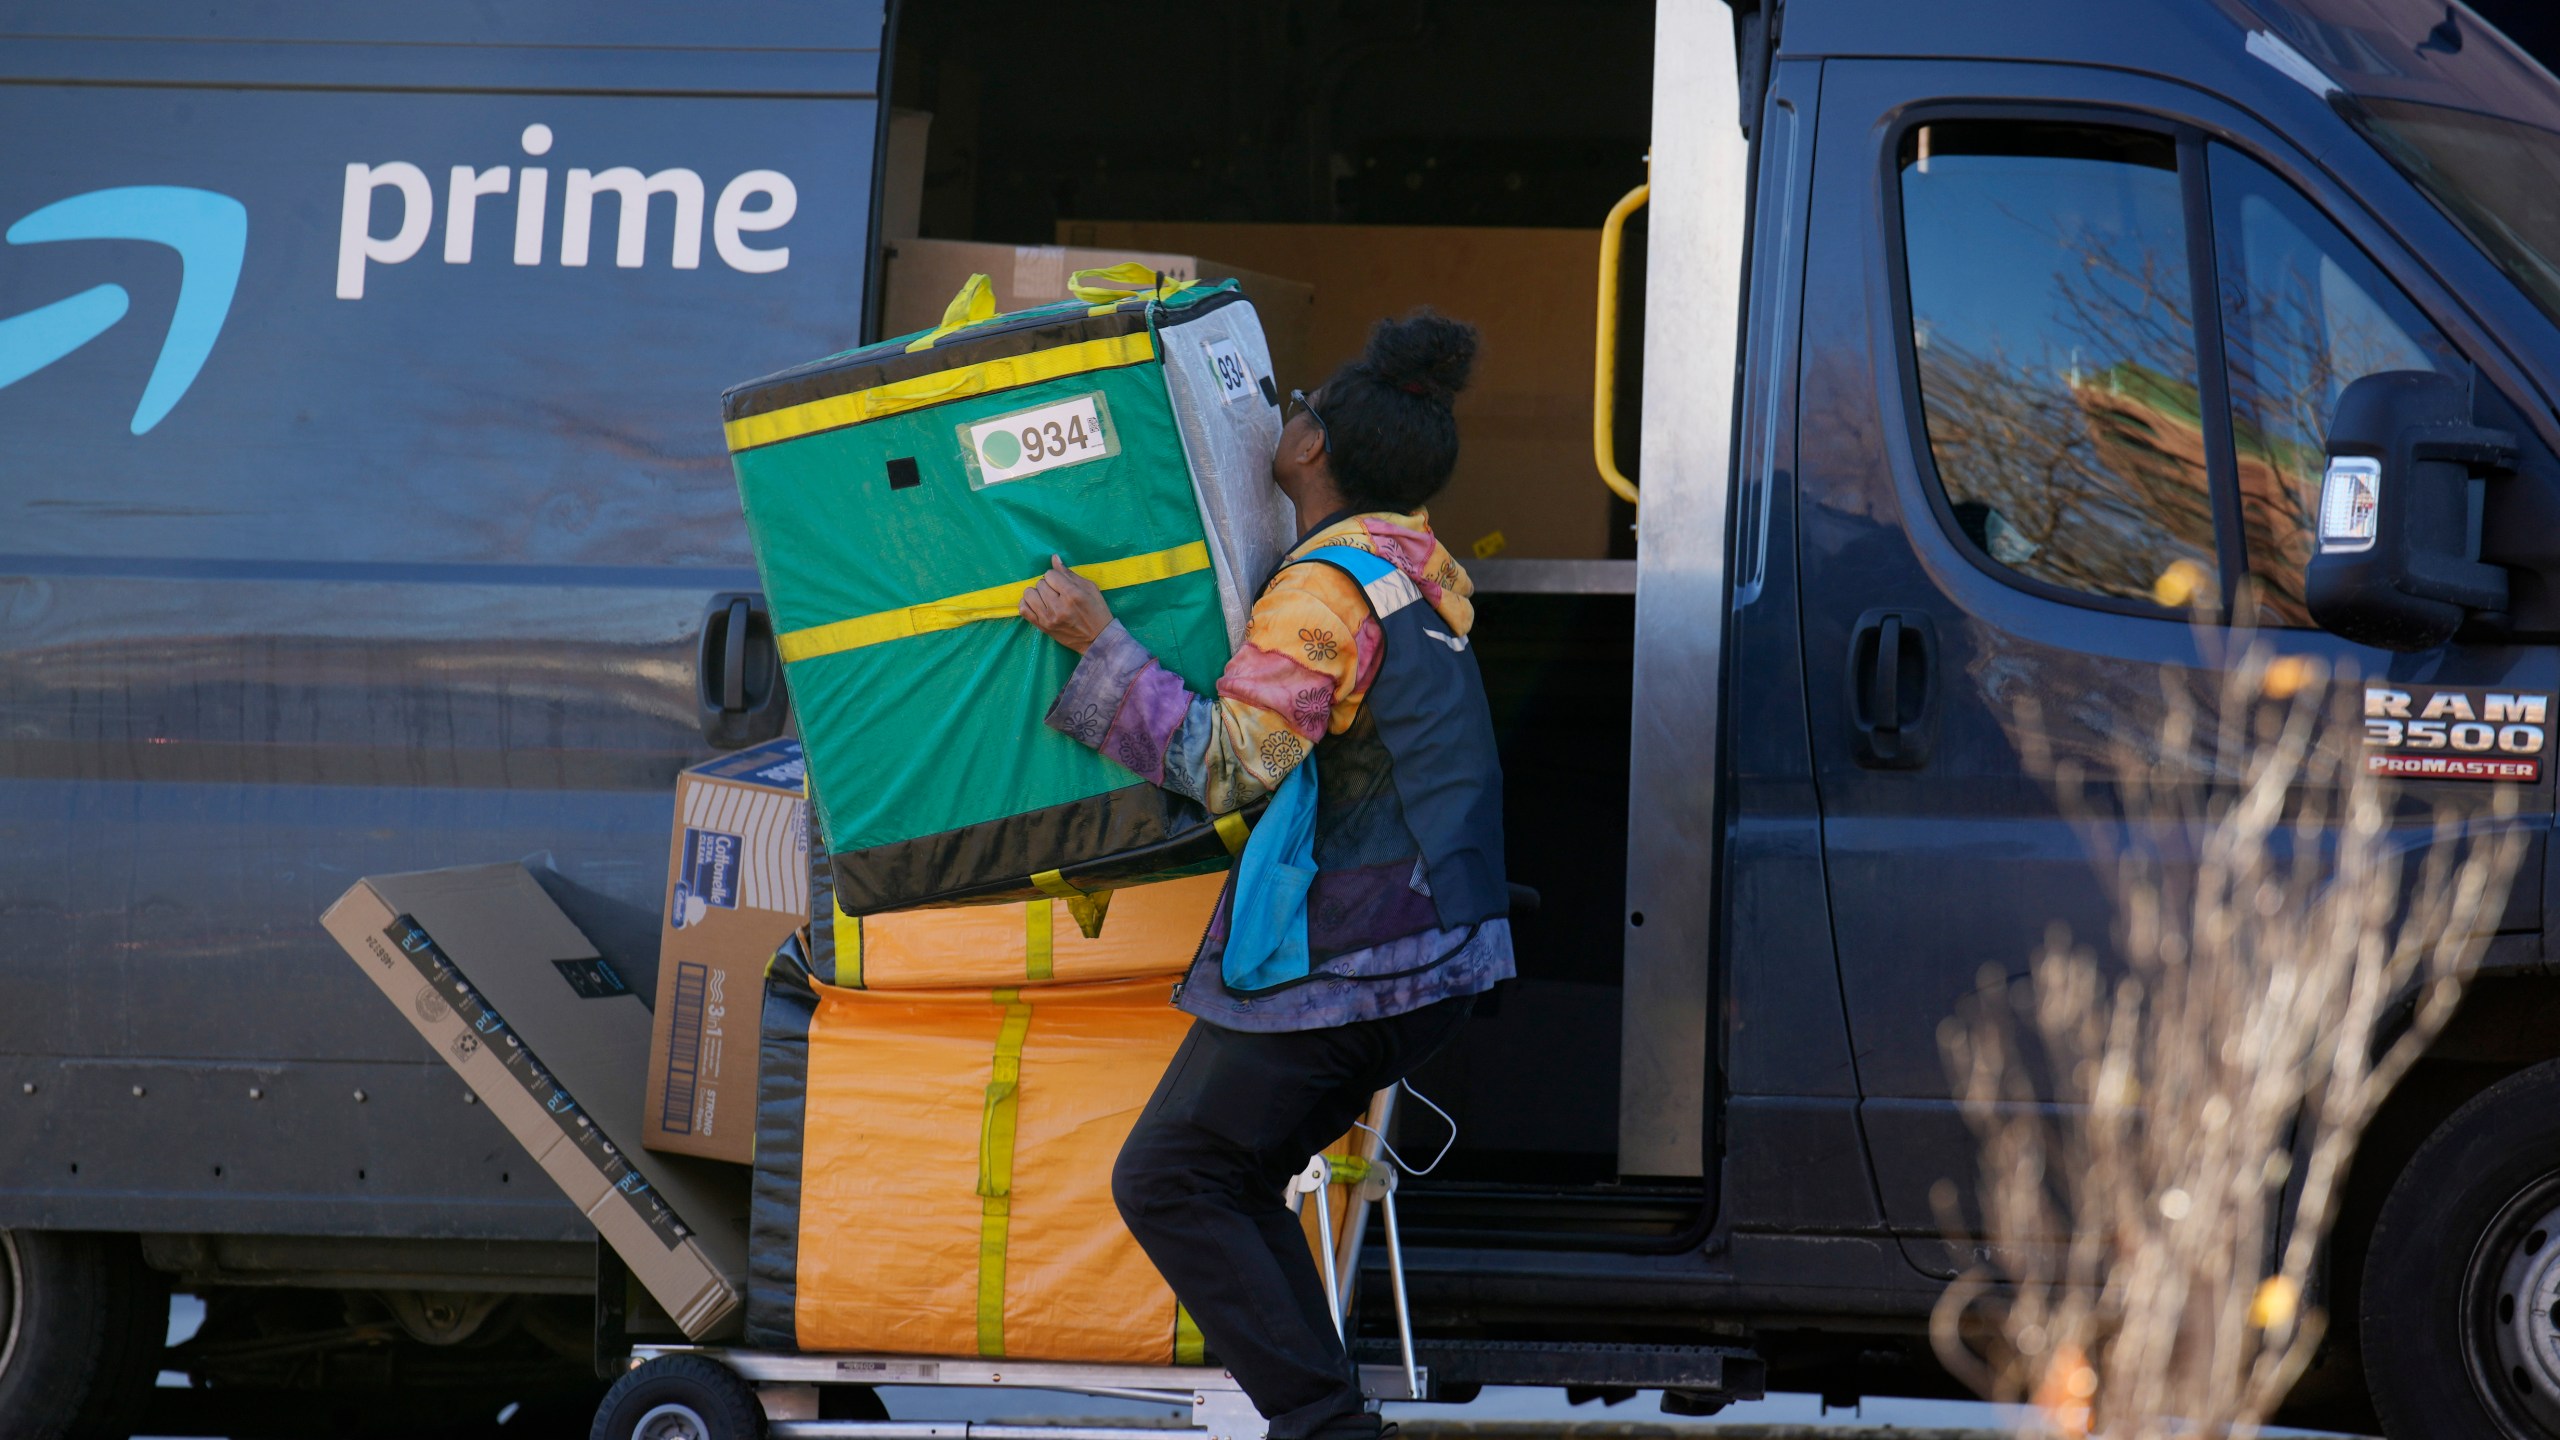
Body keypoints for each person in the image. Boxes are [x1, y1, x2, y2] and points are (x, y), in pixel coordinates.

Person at [1018, 310, 1509, 1440]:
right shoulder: (1413, 568)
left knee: (1169, 1180)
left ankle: (1324, 1429)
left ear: (1309, 451)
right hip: (1432, 949)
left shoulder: (1322, 595)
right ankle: (1325, 1423)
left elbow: (1228, 764)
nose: (1278, 416)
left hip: (1362, 956)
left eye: (1295, 408)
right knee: (1224, 1179)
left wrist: (1101, 641)